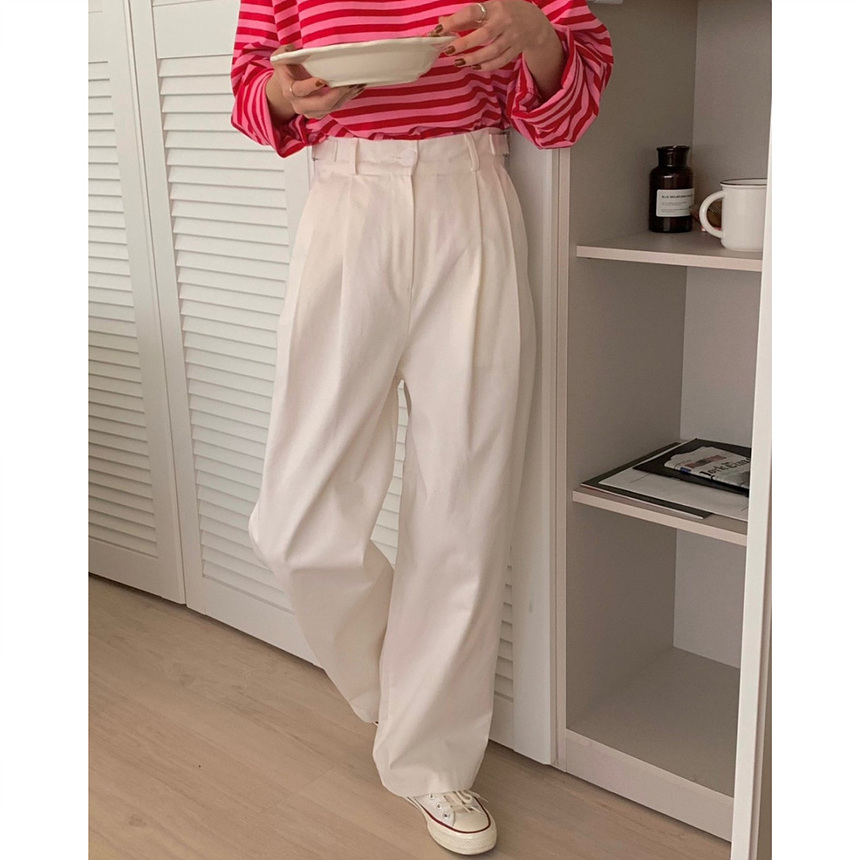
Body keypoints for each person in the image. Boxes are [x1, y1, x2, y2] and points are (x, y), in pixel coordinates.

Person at [230, 1, 613, 854]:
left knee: (463, 505)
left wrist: (535, 36)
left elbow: (566, 114)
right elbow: (252, 94)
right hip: (347, 202)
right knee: (295, 526)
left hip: (468, 197)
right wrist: (290, 95)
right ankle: (404, 689)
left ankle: (433, 759)